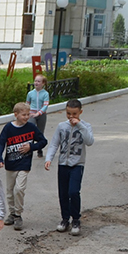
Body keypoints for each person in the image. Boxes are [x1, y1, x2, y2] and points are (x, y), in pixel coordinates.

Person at [45, 99, 96, 235]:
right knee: (63, 193)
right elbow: (54, 144)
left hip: (77, 164)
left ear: (80, 112)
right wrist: (49, 158)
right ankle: (65, 219)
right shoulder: (62, 126)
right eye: (68, 113)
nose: (71, 117)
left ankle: (76, 219)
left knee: (73, 192)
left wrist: (80, 125)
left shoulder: (86, 126)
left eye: (74, 114)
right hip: (63, 164)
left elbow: (89, 141)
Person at [0, 102, 48, 231]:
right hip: (11, 164)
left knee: (19, 189)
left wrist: (31, 147)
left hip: (24, 164)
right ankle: (12, 213)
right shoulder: (8, 128)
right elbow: (1, 142)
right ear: (16, 114)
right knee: (10, 191)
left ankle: (18, 215)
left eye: (28, 114)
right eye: (23, 115)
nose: (26, 117)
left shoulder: (31, 128)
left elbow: (43, 141)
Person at [27, 75, 50, 159]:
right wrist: (27, 113)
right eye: (35, 81)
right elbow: (27, 103)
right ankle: (30, 148)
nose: (36, 83)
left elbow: (45, 105)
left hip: (41, 114)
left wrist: (39, 113)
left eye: (38, 81)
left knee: (40, 131)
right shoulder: (30, 93)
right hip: (32, 114)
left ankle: (39, 149)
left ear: (43, 83)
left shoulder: (45, 94)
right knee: (31, 131)